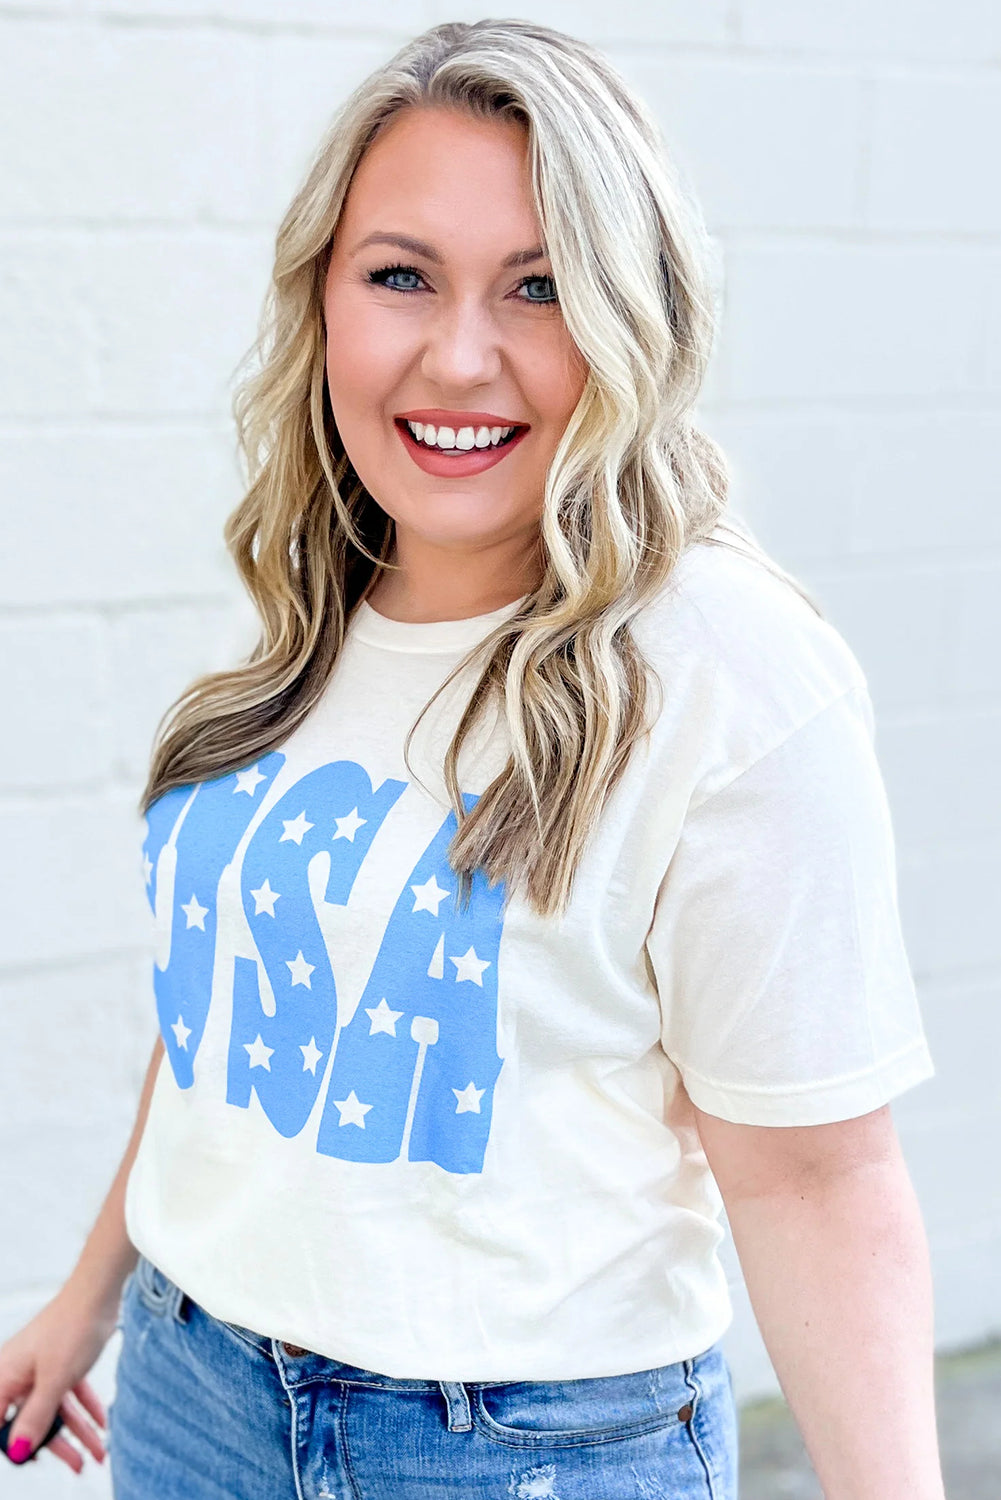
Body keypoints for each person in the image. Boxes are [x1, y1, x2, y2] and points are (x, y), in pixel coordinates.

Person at [0, 19, 945, 1499]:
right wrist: (90, 1294)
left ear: (632, 315)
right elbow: (234, 1012)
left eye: (539, 287)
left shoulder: (725, 668)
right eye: (401, 276)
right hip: (193, 1391)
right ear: (322, 297)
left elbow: (816, 1179)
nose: (458, 356)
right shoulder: (321, 602)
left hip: (512, 1448)